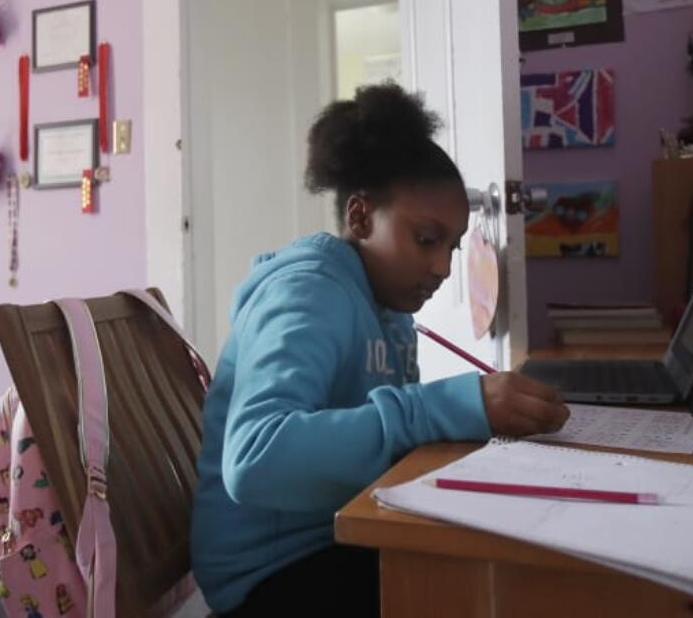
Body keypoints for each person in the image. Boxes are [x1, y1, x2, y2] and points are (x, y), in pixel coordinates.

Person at [190, 83, 570, 617]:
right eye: (426, 239)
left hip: (339, 533)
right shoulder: (307, 291)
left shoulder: (386, 311)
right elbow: (256, 458)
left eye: (452, 246)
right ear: (361, 216)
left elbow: (389, 438)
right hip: (272, 576)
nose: (442, 267)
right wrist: (449, 406)